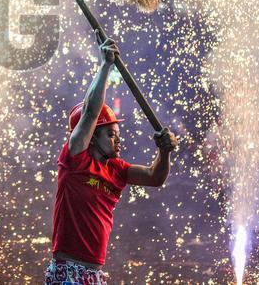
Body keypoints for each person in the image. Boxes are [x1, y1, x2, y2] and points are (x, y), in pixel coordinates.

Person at [46, 39, 178, 285]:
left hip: (95, 274)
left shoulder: (117, 170)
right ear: (91, 137)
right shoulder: (75, 160)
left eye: (118, 134)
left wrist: (164, 151)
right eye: (110, 134)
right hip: (69, 272)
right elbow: (90, 113)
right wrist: (106, 65)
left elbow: (155, 177)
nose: (118, 140)